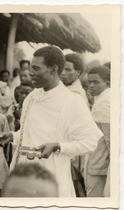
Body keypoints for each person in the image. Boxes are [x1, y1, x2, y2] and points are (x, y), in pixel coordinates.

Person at [0, 46, 103, 197]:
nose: (31, 73)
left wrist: (58, 146)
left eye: (36, 68)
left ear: (53, 69)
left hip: (52, 177)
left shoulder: (72, 101)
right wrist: (14, 137)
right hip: (22, 175)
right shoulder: (31, 97)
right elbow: (32, 133)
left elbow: (91, 141)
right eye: (31, 68)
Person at [61, 53, 89, 197]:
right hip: (66, 146)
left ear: (77, 73)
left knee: (76, 187)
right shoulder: (65, 90)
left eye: (68, 70)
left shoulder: (76, 93)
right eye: (62, 69)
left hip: (74, 148)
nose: (63, 73)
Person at [85, 65, 110, 197]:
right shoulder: (101, 99)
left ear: (107, 83)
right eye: (89, 82)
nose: (91, 86)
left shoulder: (104, 103)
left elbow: (110, 140)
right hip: (98, 164)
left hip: (100, 167)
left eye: (96, 82)